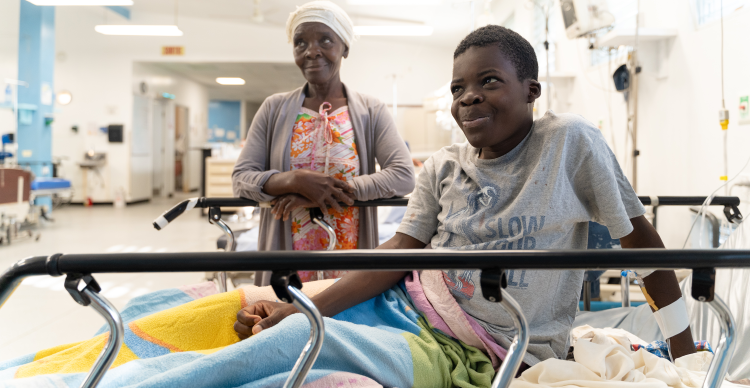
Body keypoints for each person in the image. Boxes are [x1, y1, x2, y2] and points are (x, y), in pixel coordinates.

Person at [234, 25, 696, 365]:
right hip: (413, 302)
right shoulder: (442, 165)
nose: (468, 98)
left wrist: (684, 351)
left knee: (280, 357)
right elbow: (399, 252)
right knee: (240, 314)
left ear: (531, 91)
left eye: (488, 81)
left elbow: (641, 242)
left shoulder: (568, 143)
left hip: (484, 341)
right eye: (458, 89)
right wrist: (302, 308)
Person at [232, 0, 416, 285]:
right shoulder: (273, 108)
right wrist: (294, 180)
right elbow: (241, 179)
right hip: (288, 258)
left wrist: (325, 193)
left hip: (349, 257)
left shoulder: (371, 110)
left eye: (325, 40)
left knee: (344, 323)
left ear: (344, 47)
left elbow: (404, 175)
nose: (311, 51)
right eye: (300, 42)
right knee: (285, 321)